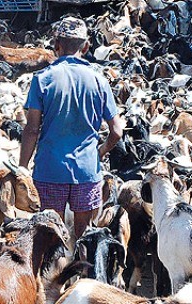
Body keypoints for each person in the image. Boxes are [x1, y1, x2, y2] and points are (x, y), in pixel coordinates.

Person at [19, 17, 124, 239]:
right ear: (86, 46)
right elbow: (117, 131)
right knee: (84, 238)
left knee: (49, 237)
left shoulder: (42, 79)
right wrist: (99, 152)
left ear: (56, 45)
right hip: (87, 171)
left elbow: (31, 129)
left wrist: (22, 166)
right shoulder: (99, 80)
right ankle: (82, 272)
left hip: (49, 170)